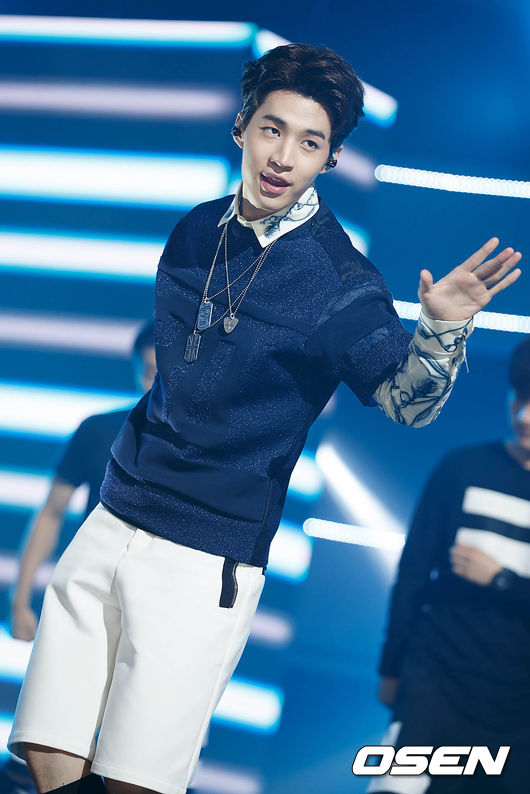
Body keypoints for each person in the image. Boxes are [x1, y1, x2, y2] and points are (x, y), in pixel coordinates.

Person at [7, 43, 522, 794]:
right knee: (46, 743)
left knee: (136, 777)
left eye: (309, 143)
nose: (284, 157)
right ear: (242, 128)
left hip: (205, 555)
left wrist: (441, 329)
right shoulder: (195, 229)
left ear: (330, 159)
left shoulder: (340, 281)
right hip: (113, 516)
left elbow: (405, 403)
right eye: (273, 130)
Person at [0, 321, 155, 794]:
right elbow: (51, 512)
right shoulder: (99, 430)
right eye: (149, 370)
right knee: (60, 735)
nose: (157, 380)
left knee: (139, 753)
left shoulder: (205, 448)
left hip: (160, 612)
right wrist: (20, 599)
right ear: (137, 370)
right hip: (94, 600)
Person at [370, 337, 530, 794]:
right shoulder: (463, 468)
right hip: (436, 677)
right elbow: (413, 572)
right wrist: (391, 666)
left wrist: (500, 579)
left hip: (517, 707)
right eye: (520, 398)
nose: (524, 416)